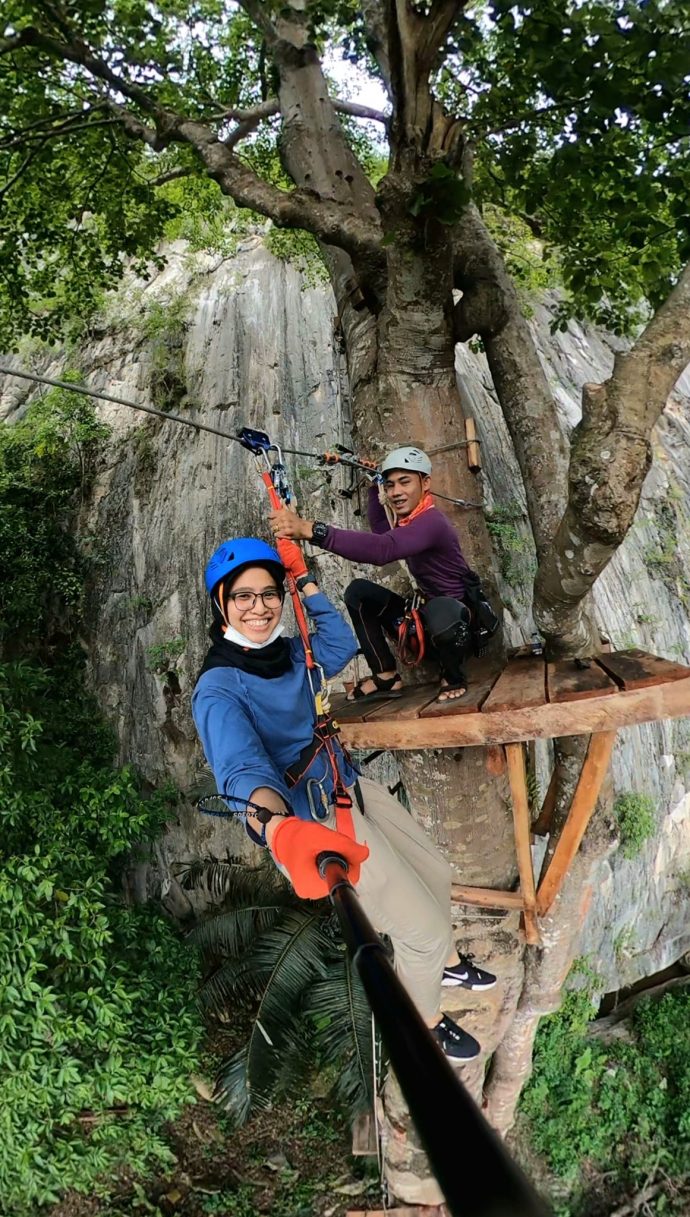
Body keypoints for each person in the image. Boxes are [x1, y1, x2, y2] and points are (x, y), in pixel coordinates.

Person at [192, 534, 497, 1064]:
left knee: (438, 875)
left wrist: (305, 578)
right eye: (243, 596)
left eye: (269, 593)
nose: (259, 606)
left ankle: (447, 962)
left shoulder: (289, 652)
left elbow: (338, 645)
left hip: (348, 785)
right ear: (221, 602)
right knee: (420, 933)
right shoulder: (219, 687)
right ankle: (423, 1022)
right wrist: (279, 828)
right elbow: (242, 770)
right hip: (316, 825)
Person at [270, 446, 497, 703]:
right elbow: (382, 535)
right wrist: (371, 485)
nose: (395, 492)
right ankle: (386, 675)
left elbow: (383, 549)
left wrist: (312, 530)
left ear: (426, 483)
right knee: (359, 593)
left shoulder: (432, 522)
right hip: (428, 619)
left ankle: (453, 675)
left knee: (441, 608)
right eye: (389, 486)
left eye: (404, 482)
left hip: (457, 626)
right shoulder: (412, 520)